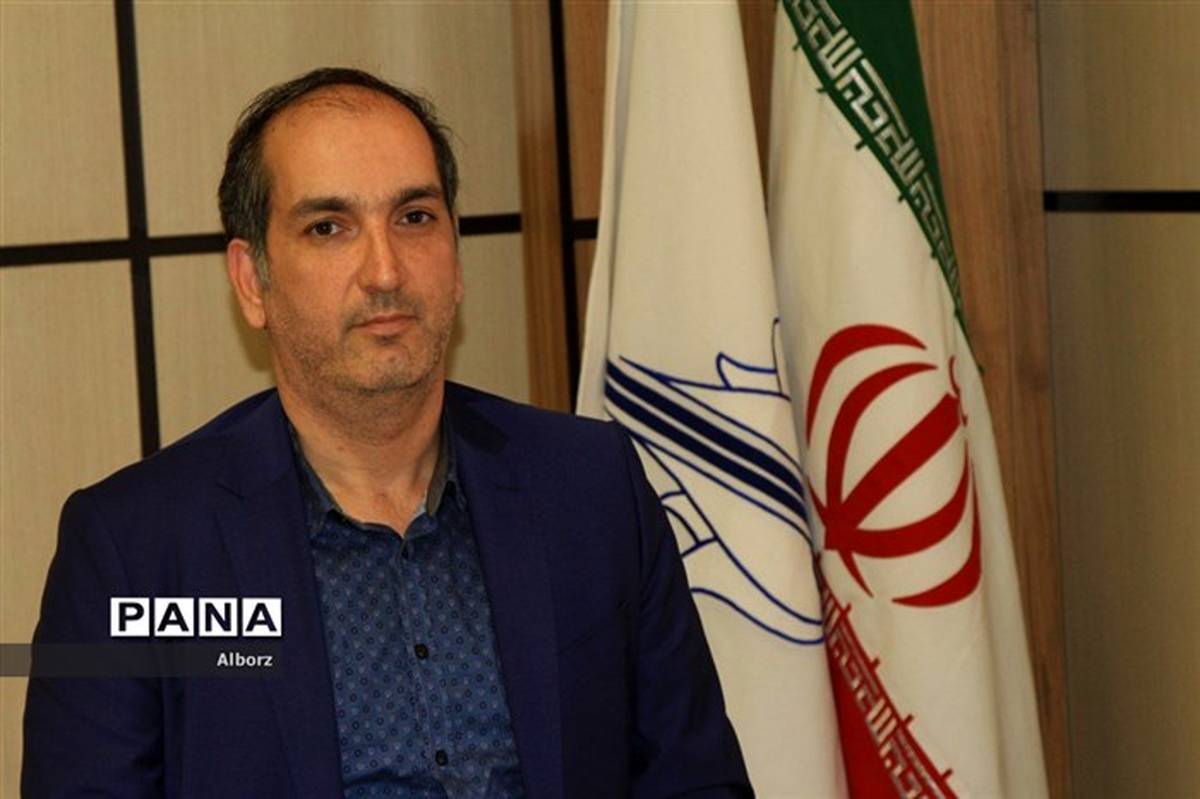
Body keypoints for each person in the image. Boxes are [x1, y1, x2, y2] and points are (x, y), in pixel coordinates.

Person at [22, 67, 751, 799]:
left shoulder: (591, 487)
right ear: (252, 281)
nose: (385, 271)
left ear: (456, 256)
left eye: (414, 217)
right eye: (328, 227)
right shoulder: (133, 549)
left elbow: (697, 782)